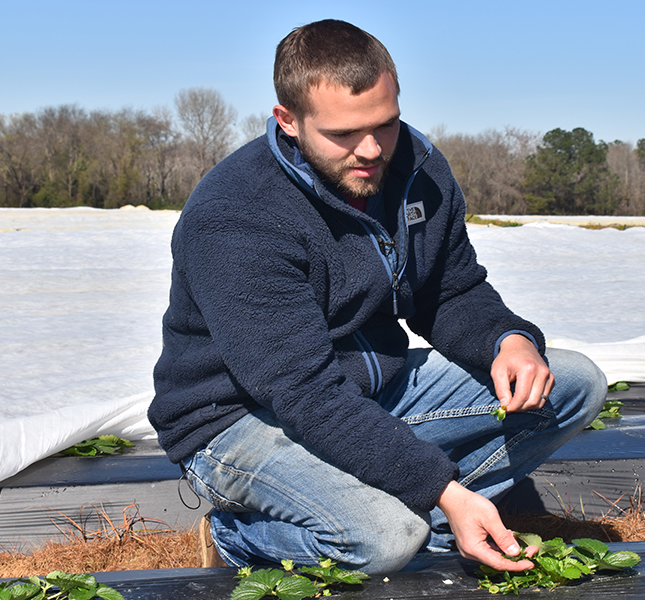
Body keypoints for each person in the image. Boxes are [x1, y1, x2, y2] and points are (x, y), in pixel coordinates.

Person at [148, 19, 606, 574]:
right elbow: (306, 392)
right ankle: (235, 538)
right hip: (240, 418)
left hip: (367, 390)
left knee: (573, 381)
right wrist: (442, 489)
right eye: (343, 134)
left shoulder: (417, 168)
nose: (371, 150)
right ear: (288, 121)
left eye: (385, 124)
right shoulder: (238, 216)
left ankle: (437, 521)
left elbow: (450, 290)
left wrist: (506, 340)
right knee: (383, 539)